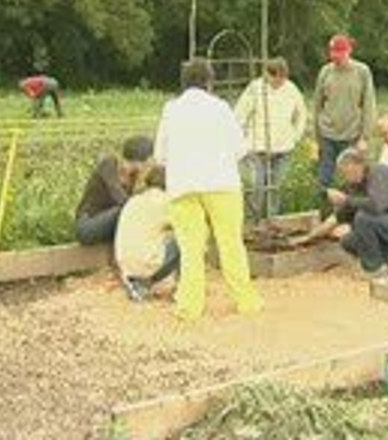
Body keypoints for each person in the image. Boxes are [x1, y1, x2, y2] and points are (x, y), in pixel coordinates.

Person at [154, 58, 262, 321]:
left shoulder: (171, 109)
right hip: (221, 183)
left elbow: (160, 155)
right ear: (209, 82)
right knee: (230, 243)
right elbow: (240, 148)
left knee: (191, 249)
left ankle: (189, 307)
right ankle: (246, 301)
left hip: (182, 186)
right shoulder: (221, 108)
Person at [234, 57, 308, 223]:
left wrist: (295, 137)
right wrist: (242, 141)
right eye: (274, 77)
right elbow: (240, 116)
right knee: (258, 186)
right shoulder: (255, 89)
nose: (278, 81)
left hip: (283, 149)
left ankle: (272, 221)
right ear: (267, 74)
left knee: (276, 187)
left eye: (281, 77)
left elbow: (301, 114)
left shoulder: (291, 89)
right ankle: (254, 221)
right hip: (257, 148)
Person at [313, 34, 377, 206]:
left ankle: (349, 217)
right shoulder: (325, 72)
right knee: (324, 179)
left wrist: (365, 137)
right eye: (332, 52)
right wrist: (316, 136)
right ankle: (324, 216)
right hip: (327, 134)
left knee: (352, 180)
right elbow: (317, 105)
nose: (335, 56)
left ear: (349, 51)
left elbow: (369, 105)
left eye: (339, 52)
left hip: (351, 135)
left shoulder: (362, 71)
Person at [115, 165, 180, 302]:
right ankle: (182, 290)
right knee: (187, 238)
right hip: (147, 263)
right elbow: (184, 226)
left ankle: (138, 283)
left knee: (155, 235)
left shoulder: (134, 200)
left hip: (125, 265)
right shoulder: (166, 201)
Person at [74, 136, 153, 246]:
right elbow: (120, 198)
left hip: (110, 225)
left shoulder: (135, 176)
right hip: (88, 225)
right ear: (139, 162)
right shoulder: (109, 165)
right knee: (126, 209)